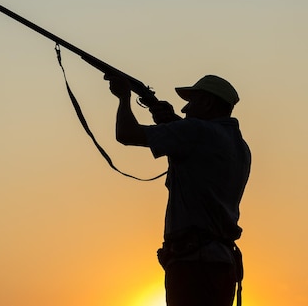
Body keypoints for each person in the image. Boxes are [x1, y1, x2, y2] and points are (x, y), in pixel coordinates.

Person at [104, 74, 251, 306]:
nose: (184, 109)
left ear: (208, 103)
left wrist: (124, 97)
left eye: (191, 102)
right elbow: (198, 154)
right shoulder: (240, 147)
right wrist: (170, 122)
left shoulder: (194, 131)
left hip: (194, 263)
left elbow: (126, 133)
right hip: (220, 263)